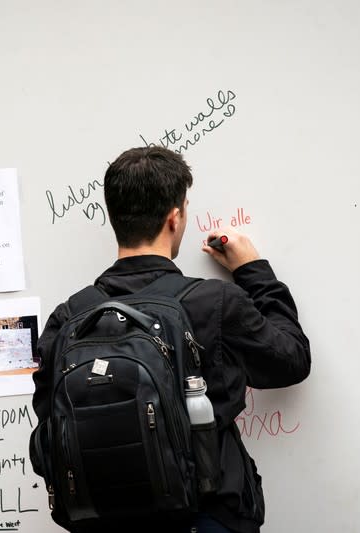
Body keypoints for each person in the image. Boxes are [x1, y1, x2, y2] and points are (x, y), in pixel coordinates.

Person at [30, 146, 311, 532]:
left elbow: (50, 418)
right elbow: (292, 360)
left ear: (113, 218)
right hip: (206, 517)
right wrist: (253, 270)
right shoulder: (214, 302)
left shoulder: (69, 317)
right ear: (175, 217)